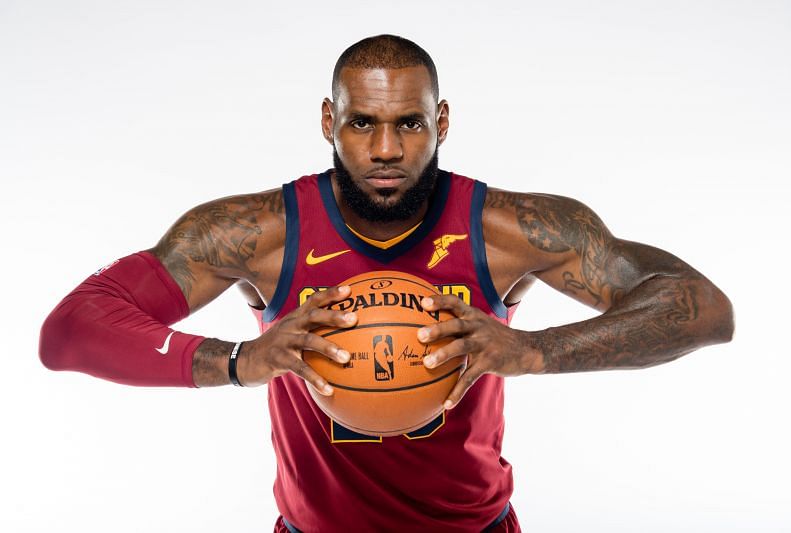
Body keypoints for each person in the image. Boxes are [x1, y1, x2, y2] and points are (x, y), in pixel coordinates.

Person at [39, 34, 734, 532]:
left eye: (409, 124)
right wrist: (241, 361)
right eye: (361, 123)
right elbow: (70, 329)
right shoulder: (258, 233)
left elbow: (703, 306)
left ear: (442, 121)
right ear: (327, 122)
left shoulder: (508, 228)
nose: (385, 151)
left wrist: (533, 350)